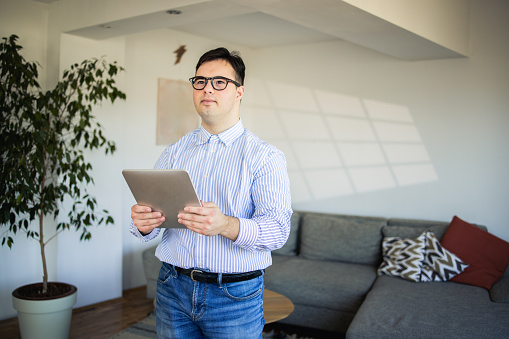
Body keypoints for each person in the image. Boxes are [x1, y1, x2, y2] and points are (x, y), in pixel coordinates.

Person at [130, 47, 292, 339]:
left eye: (220, 82)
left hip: (234, 296)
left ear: (239, 92)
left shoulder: (265, 157)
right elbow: (151, 221)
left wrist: (226, 225)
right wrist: (143, 225)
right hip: (171, 287)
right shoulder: (174, 152)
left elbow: (278, 231)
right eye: (200, 81)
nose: (207, 89)